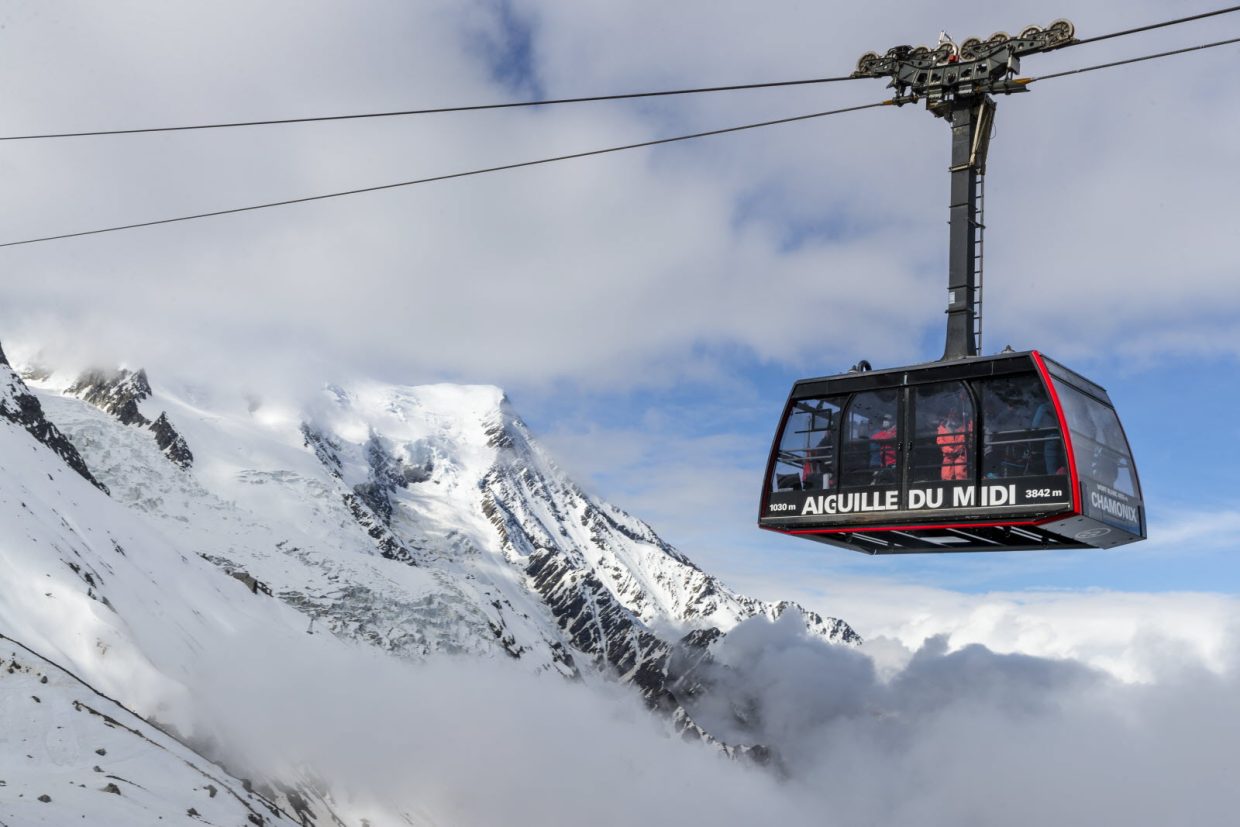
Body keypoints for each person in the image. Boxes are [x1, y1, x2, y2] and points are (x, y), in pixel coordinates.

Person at [937, 409, 970, 480]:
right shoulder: (942, 427)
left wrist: (958, 450)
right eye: (951, 413)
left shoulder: (964, 425)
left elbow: (966, 438)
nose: (953, 415)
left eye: (955, 413)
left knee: (961, 475)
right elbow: (940, 442)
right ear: (948, 415)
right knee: (946, 476)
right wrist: (950, 451)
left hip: (960, 455)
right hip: (948, 456)